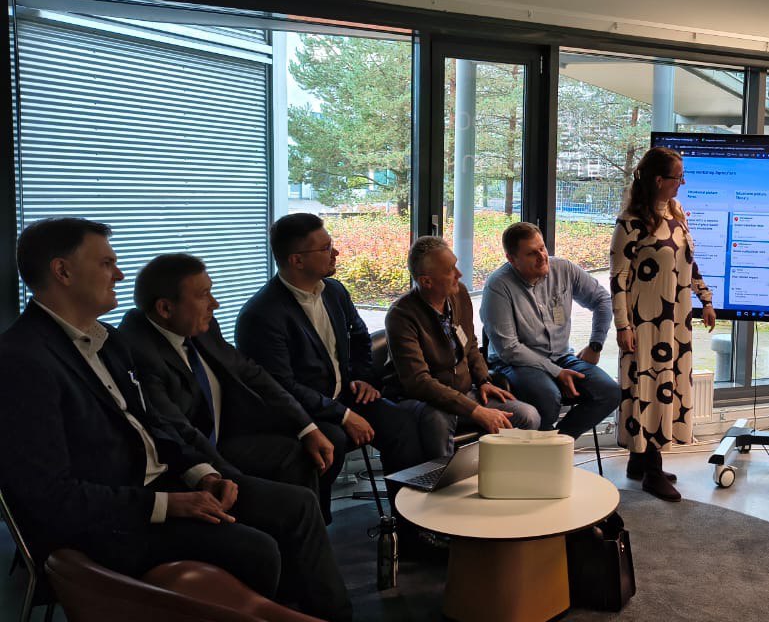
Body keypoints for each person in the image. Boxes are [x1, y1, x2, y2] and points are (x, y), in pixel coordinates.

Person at [0, 218, 351, 620]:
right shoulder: (21, 361)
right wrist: (168, 504)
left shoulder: (105, 340)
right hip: (106, 522)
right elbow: (49, 497)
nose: (119, 274)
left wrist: (202, 475)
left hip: (162, 484)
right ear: (62, 271)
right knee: (257, 550)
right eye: (106, 263)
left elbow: (155, 425)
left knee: (297, 505)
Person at [235, 213, 440, 520]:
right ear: (297, 260)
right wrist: (343, 415)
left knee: (401, 423)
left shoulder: (334, 291)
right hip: (300, 412)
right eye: (326, 247)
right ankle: (317, 528)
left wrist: (363, 377)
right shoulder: (262, 315)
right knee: (333, 439)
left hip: (345, 396)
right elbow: (281, 386)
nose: (336, 252)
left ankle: (409, 521)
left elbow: (359, 336)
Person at [118, 253, 339, 498]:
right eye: (203, 295)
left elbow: (253, 374)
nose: (215, 304)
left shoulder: (200, 325)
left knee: (310, 450)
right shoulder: (136, 352)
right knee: (296, 502)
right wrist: (231, 479)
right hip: (187, 461)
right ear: (165, 308)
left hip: (229, 434)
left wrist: (307, 427)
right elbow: (177, 428)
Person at [610, 147, 716, 502]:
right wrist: (623, 326)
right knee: (649, 389)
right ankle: (652, 471)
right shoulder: (631, 221)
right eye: (677, 177)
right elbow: (618, 278)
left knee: (667, 386)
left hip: (676, 321)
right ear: (658, 180)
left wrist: (705, 299)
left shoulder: (675, 211)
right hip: (644, 324)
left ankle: (639, 462)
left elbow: (689, 260)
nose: (681, 183)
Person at [384, 235, 539, 459]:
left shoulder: (459, 294)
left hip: (465, 393)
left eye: (455, 265)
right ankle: (444, 481)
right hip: (424, 400)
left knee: (528, 416)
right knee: (438, 421)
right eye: (450, 270)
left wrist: (484, 380)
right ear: (426, 281)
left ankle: (500, 474)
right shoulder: (401, 316)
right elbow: (419, 382)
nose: (459, 274)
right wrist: (476, 411)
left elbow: (470, 344)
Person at [481, 222, 621, 442]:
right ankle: (544, 450)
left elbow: (602, 300)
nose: (542, 257)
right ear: (512, 259)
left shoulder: (563, 269)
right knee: (547, 397)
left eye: (542, 248)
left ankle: (555, 444)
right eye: (531, 253)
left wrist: (595, 345)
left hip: (561, 356)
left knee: (610, 392)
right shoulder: (498, 286)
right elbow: (509, 349)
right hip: (516, 363)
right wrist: (557, 372)